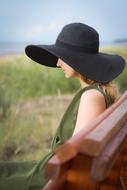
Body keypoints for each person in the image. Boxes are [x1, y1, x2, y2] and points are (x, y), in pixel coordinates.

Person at [0, 22, 125, 190]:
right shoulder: (96, 92)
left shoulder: (91, 96)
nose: (58, 63)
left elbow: (77, 157)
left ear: (77, 60)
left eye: (62, 57)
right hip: (51, 169)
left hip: (52, 178)